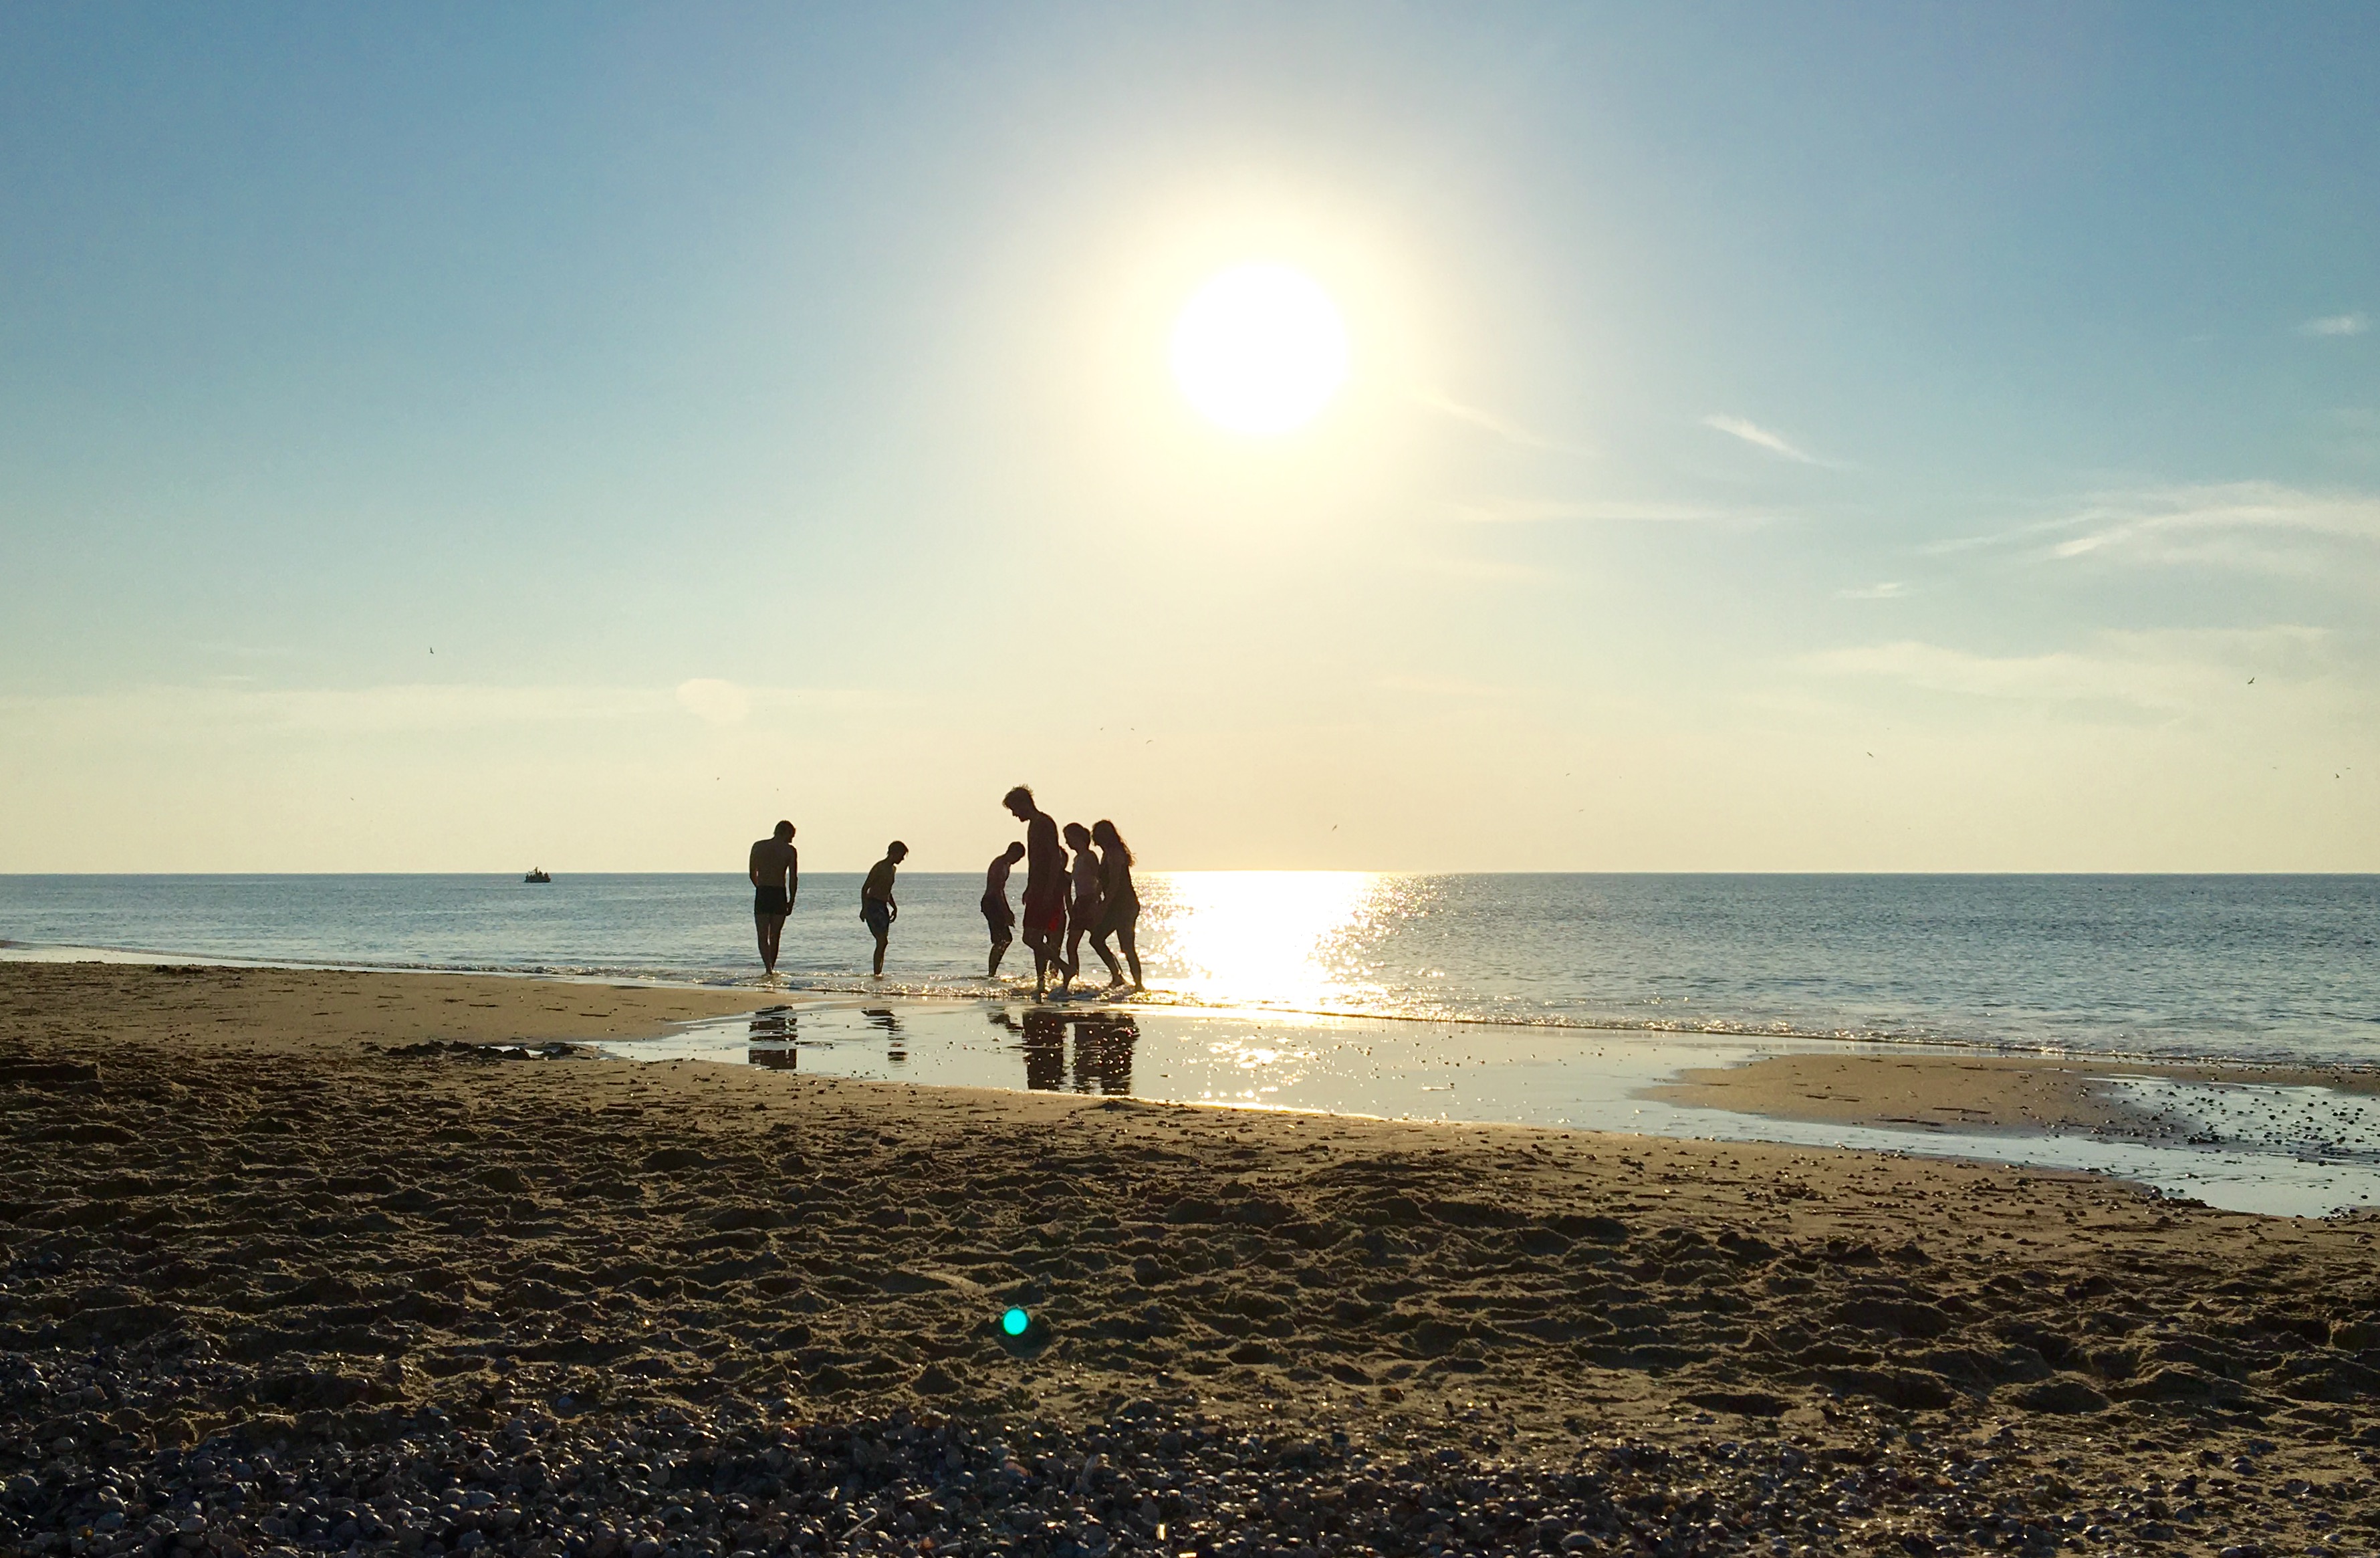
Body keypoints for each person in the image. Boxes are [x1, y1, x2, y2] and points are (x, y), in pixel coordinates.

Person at [1003, 785, 1067, 1000]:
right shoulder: (1033, 826)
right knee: (1035, 936)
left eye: (1015, 809)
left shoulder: (1044, 823)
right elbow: (1035, 862)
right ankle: (1041, 981)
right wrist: (1030, 887)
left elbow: (1053, 858)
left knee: (1030, 937)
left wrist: (1049, 889)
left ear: (1024, 804)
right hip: (1038, 887)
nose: (1014, 814)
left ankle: (1063, 968)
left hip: (1047, 888)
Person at [1090, 818, 1143, 991]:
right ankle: (1117, 975)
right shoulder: (1107, 853)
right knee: (1097, 939)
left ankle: (1138, 984)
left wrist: (1104, 905)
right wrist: (1097, 896)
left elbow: (1114, 883)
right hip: (1115, 904)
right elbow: (1103, 881)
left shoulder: (1115, 854)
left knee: (1127, 946)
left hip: (1124, 904)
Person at [747, 820, 799, 978]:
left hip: (763, 891)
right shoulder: (789, 851)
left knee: (763, 935)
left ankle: (768, 968)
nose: (792, 840)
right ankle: (771, 968)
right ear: (785, 833)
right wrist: (792, 900)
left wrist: (760, 887)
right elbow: (793, 878)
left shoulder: (758, 846)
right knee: (775, 934)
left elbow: (752, 873)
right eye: (791, 836)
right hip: (779, 893)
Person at [860, 840, 907, 976]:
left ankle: (878, 972)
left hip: (883, 906)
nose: (902, 859)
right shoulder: (879, 867)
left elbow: (888, 890)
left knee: (883, 943)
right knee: (882, 941)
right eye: (901, 855)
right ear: (894, 853)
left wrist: (894, 907)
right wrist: (864, 909)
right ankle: (876, 973)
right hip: (873, 905)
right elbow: (865, 888)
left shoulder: (893, 869)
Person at [983, 840, 1026, 980]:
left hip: (995, 902)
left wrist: (1007, 911)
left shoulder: (1006, 865)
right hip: (992, 902)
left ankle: (992, 971)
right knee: (1003, 939)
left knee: (1005, 939)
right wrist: (1006, 911)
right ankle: (991, 972)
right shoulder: (1000, 864)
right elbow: (997, 890)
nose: (1017, 861)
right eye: (1018, 858)